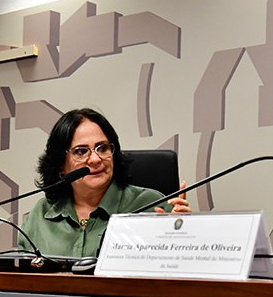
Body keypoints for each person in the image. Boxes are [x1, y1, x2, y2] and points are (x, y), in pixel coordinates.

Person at [20, 108, 190, 257]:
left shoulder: (152, 205)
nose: (95, 159)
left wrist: (183, 234)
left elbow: (179, 273)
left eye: (102, 148)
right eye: (81, 151)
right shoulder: (40, 214)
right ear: (60, 166)